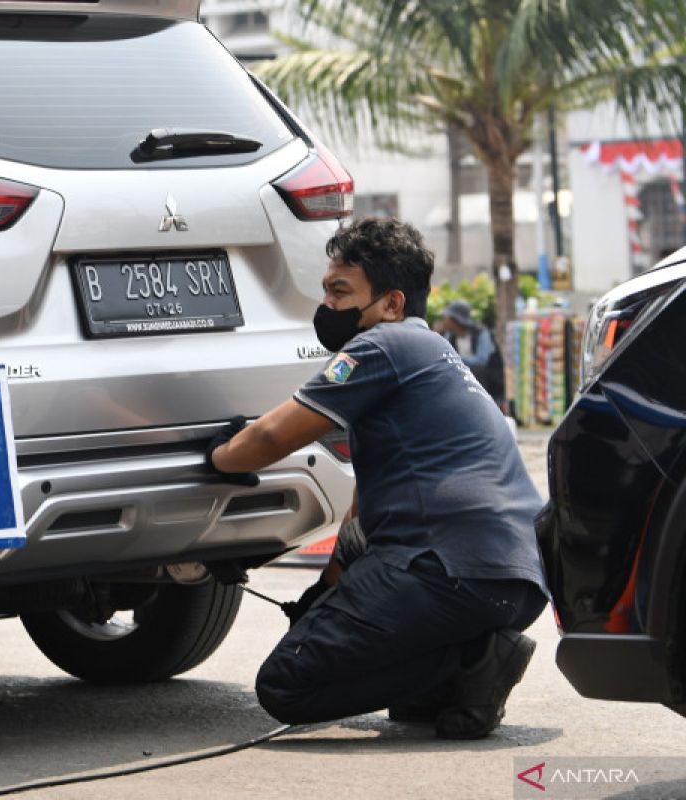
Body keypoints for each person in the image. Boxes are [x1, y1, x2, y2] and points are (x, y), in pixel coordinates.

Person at [206, 217, 548, 739]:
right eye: (325, 291)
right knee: (408, 706)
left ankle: (474, 659)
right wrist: (326, 596)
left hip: (450, 573)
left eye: (341, 292)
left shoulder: (380, 347)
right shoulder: (430, 352)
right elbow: (362, 519)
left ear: (391, 303)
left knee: (286, 685)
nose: (328, 307)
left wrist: (218, 457)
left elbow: (272, 437)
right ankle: (461, 677)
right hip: (513, 581)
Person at [437, 299, 507, 412]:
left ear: (455, 320)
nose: (444, 321)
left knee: (476, 369)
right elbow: (442, 356)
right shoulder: (450, 336)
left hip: (486, 381)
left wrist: (456, 359)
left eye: (446, 318)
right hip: (462, 382)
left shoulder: (481, 333)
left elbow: (482, 359)